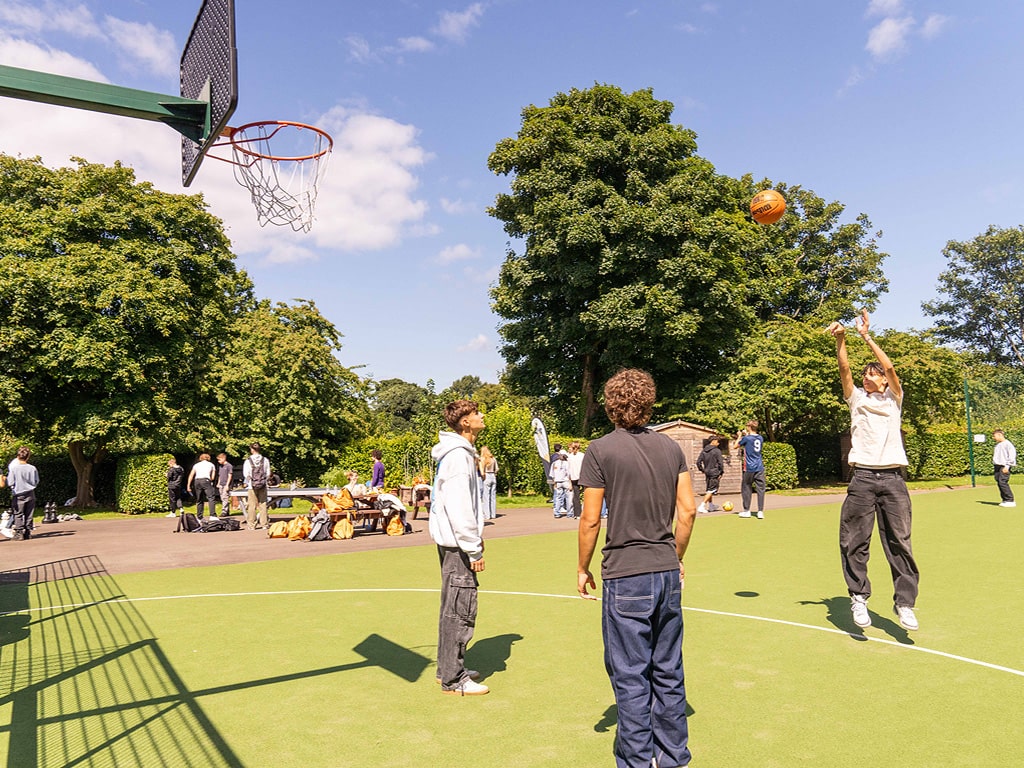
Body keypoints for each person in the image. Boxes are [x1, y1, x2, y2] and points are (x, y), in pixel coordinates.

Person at [578, 369, 697, 768]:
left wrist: (582, 566)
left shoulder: (600, 450)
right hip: (665, 570)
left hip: (625, 573)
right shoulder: (671, 448)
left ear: (610, 404)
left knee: (630, 674)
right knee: (668, 668)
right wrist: (676, 556)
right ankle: (673, 756)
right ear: (649, 402)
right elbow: (688, 510)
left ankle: (636, 759)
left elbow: (591, 519)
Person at [829, 309, 920, 632]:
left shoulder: (895, 400)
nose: (867, 376)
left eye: (873, 373)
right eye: (865, 374)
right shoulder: (856, 399)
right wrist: (842, 340)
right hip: (863, 478)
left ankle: (905, 604)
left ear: (883, 380)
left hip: (894, 479)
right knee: (854, 541)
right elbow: (844, 369)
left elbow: (892, 367)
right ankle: (858, 597)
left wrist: (866, 336)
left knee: (900, 542)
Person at [429, 399, 488, 696]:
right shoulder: (458, 457)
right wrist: (473, 548)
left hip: (451, 542)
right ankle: (454, 678)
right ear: (465, 422)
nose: (481, 416)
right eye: (476, 413)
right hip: (457, 545)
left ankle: (447, 668)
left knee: (451, 605)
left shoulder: (458, 454)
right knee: (460, 608)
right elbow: (460, 507)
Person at [732, 420, 766, 519]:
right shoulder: (760, 438)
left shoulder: (746, 438)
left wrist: (739, 436)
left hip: (749, 467)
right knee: (761, 489)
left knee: (746, 488)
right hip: (759, 467)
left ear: (749, 427)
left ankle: (747, 510)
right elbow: (752, 441)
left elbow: (735, 446)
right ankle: (760, 511)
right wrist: (746, 435)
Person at [5, 447, 39, 541]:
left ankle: (19, 533)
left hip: (18, 493)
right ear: (28, 457)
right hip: (30, 492)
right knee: (29, 513)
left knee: (18, 513)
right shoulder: (32, 468)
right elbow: (36, 481)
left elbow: (10, 482)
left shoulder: (14, 469)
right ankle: (28, 531)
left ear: (18, 456)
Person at [243, 442, 272, 530]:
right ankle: (264, 524)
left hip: (252, 485)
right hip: (263, 485)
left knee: (251, 505)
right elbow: (268, 473)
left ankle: (252, 524)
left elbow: (246, 474)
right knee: (263, 504)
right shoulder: (265, 460)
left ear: (252, 449)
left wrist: (251, 480)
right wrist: (263, 480)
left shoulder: (248, 460)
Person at [695, 437, 724, 514]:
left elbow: (698, 462)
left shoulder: (704, 450)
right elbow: (720, 463)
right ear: (713, 441)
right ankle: (702, 506)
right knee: (711, 490)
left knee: (709, 489)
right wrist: (721, 472)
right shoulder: (717, 451)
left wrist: (702, 470)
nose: (718, 443)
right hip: (715, 472)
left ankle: (711, 506)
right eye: (717, 442)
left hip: (707, 472)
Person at [187, 452, 217, 520]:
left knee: (199, 499)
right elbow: (212, 477)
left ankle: (199, 516)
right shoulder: (211, 465)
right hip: (206, 480)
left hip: (197, 481)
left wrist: (188, 485)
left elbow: (191, 475)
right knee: (211, 498)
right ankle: (213, 515)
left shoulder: (196, 465)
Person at [993, 429, 1017, 507]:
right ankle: (1005, 500)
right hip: (997, 466)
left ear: (1000, 435)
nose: (994, 438)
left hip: (1004, 466)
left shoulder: (1008, 444)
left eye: (995, 436)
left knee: (1002, 482)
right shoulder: (998, 445)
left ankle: (1010, 500)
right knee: (999, 482)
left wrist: (1007, 466)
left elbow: (1012, 456)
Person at [550, 450, 572, 518]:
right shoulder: (567, 463)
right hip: (566, 482)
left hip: (558, 482)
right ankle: (570, 513)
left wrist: (554, 483)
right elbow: (569, 474)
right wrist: (570, 483)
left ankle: (557, 513)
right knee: (569, 498)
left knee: (558, 498)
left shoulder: (554, 463)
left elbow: (552, 474)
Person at [478, 446, 498, 520]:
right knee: (493, 496)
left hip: (487, 475)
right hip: (493, 476)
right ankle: (493, 514)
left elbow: (482, 471)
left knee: (486, 497)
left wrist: (483, 478)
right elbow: (497, 469)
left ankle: (487, 515)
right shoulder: (493, 458)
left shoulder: (482, 459)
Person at [566, 441, 586, 519]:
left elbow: (568, 470)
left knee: (576, 496)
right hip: (582, 476)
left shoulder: (569, 457)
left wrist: (569, 481)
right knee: (586, 494)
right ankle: (585, 511)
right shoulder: (582, 455)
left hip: (573, 477)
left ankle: (577, 514)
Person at [216, 453, 233, 518]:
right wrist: (218, 483)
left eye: (219, 460)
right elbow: (220, 475)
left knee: (225, 497)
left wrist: (227, 485)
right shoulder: (221, 466)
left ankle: (224, 511)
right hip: (221, 484)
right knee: (222, 498)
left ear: (223, 458)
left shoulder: (229, 466)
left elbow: (230, 475)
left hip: (226, 484)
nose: (218, 461)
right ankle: (227, 511)